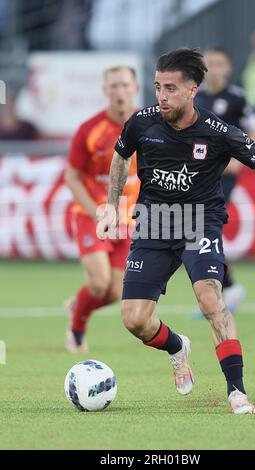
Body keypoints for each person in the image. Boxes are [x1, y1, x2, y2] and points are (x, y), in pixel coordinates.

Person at [96, 48, 255, 414]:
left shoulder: (217, 132)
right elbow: (121, 156)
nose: (162, 96)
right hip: (153, 222)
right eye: (157, 87)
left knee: (210, 298)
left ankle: (237, 391)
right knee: (134, 319)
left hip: (200, 221)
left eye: (170, 88)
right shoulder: (141, 123)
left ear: (191, 90)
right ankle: (176, 347)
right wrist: (111, 203)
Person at [65, 65, 140, 352]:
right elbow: (72, 176)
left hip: (129, 218)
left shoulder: (148, 124)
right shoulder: (90, 130)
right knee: (99, 283)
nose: (119, 92)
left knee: (114, 292)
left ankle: (78, 304)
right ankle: (77, 328)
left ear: (135, 88)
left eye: (124, 85)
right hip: (92, 216)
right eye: (113, 86)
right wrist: (95, 208)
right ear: (104, 91)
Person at [193, 46, 255, 316]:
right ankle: (224, 289)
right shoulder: (194, 97)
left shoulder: (236, 98)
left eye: (219, 63)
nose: (214, 69)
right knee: (198, 234)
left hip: (221, 177)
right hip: (196, 176)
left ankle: (221, 292)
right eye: (209, 64)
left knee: (204, 231)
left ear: (228, 68)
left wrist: (240, 159)